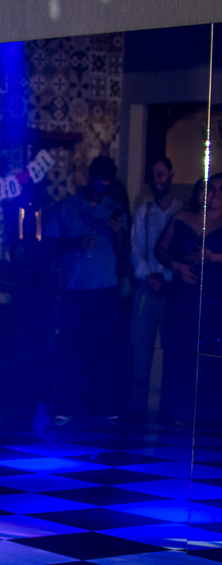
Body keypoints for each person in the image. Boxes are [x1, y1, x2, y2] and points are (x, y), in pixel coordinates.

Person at [48, 155, 131, 422]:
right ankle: (65, 405)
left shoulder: (115, 209)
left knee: (103, 348)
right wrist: (75, 244)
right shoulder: (67, 207)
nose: (101, 189)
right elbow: (48, 245)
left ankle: (100, 404)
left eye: (106, 185)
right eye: (98, 183)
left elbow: (125, 253)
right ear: (89, 178)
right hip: (75, 288)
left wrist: (118, 233)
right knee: (70, 345)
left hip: (105, 288)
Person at [156, 174, 222, 423]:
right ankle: (176, 412)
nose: (214, 193)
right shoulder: (181, 217)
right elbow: (160, 249)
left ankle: (207, 416)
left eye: (220, 189)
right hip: (183, 297)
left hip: (214, 298)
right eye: (211, 188)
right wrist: (177, 266)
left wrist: (212, 257)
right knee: (181, 351)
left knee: (210, 353)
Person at [128, 157, 180, 418]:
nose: (157, 179)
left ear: (171, 174)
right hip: (147, 285)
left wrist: (166, 276)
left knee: (174, 346)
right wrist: (151, 276)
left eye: (161, 174)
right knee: (141, 347)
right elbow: (135, 249)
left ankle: (170, 407)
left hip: (173, 287)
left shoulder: (182, 211)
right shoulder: (143, 212)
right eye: (153, 175)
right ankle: (137, 406)